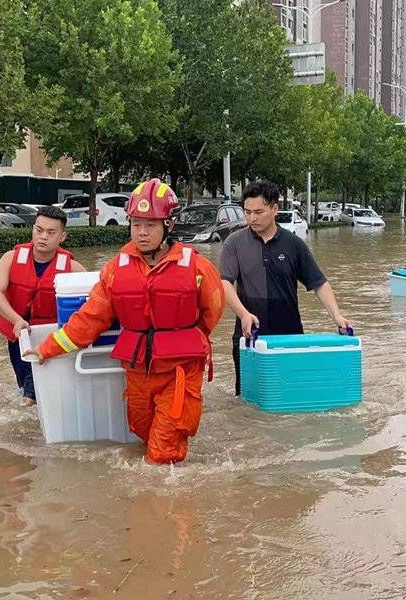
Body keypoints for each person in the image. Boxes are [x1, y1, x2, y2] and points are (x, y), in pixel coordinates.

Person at [26, 179, 224, 464]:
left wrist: (183, 340)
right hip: (138, 371)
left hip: (179, 370)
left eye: (151, 225)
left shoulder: (196, 266)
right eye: (136, 224)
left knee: (162, 452)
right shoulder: (116, 269)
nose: (141, 233)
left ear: (168, 225)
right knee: (142, 432)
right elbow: (91, 318)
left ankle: (163, 506)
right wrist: (47, 348)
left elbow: (211, 312)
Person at [220, 181, 351, 396]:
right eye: (247, 212)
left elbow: (318, 282)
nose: (252, 218)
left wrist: (336, 315)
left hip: (289, 338)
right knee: (248, 402)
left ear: (274, 209)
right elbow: (224, 282)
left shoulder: (293, 244)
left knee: (291, 397)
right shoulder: (234, 243)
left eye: (259, 212)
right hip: (249, 335)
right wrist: (243, 314)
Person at [0, 205, 85, 406]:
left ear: (62, 236)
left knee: (30, 397)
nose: (43, 237)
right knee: (24, 384)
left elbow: (92, 304)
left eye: (51, 232)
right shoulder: (11, 258)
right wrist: (16, 320)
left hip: (49, 338)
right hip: (18, 334)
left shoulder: (74, 269)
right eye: (39, 230)